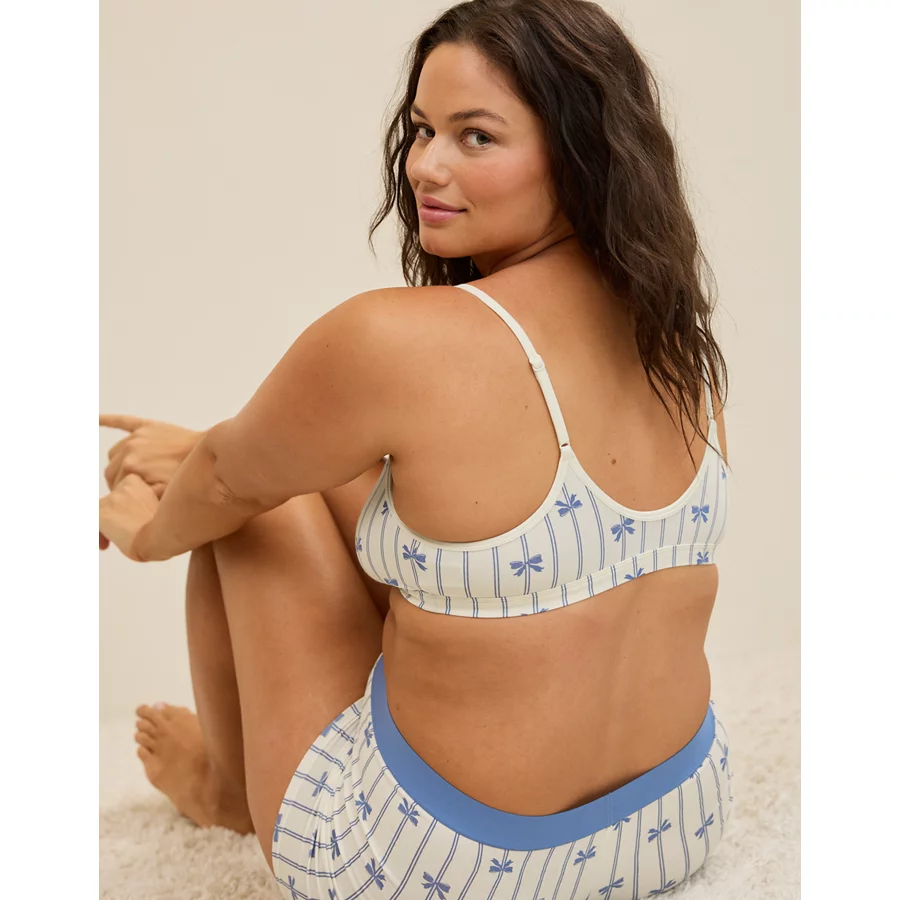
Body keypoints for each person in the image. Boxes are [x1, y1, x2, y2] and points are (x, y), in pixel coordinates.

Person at [100, 1, 735, 896]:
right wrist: (213, 454)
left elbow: (230, 483)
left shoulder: (394, 340)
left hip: (447, 868)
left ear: (581, 153)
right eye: (424, 129)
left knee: (254, 509)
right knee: (305, 477)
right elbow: (463, 514)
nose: (425, 166)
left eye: (476, 137)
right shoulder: (676, 342)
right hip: (673, 819)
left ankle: (229, 788)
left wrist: (144, 533)